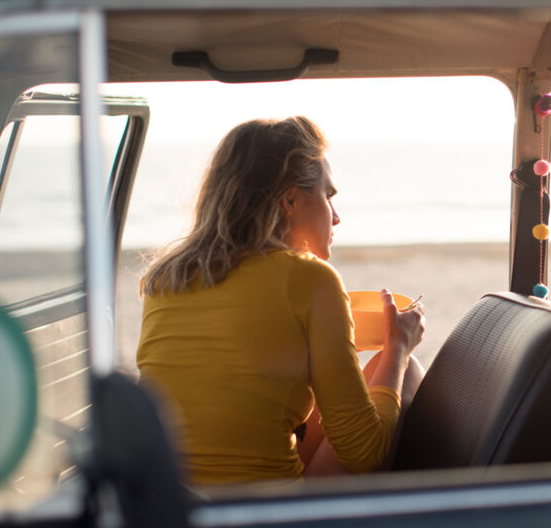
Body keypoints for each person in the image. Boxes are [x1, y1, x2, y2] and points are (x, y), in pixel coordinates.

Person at [136, 116, 425, 484]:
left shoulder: (166, 278)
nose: (336, 217)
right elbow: (363, 452)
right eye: (328, 196)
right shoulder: (310, 279)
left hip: (169, 505)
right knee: (404, 370)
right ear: (290, 200)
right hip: (264, 512)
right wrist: (398, 346)